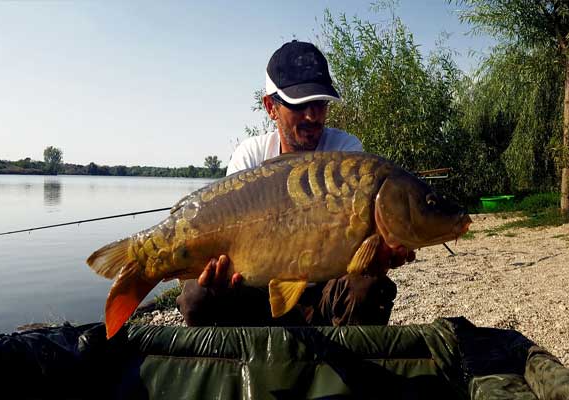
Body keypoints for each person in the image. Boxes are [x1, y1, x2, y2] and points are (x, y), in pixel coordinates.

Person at [176, 40, 414, 327]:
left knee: (370, 287)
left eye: (320, 103)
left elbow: (366, 248)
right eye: (300, 105)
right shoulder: (250, 156)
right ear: (270, 107)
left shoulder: (346, 152)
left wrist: (380, 255)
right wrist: (216, 275)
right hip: (258, 296)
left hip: (326, 293)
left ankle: (344, 368)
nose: (313, 116)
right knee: (196, 296)